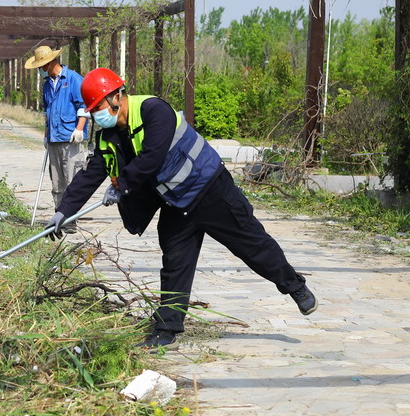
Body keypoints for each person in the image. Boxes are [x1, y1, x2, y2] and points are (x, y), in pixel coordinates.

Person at [45, 68, 317, 348]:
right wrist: (64, 210)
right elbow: (91, 174)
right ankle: (167, 328)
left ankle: (295, 286)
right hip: (176, 202)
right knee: (175, 262)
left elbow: (152, 156)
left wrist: (121, 185)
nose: (95, 115)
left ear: (116, 97)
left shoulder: (153, 110)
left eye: (97, 107)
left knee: (252, 244)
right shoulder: (108, 137)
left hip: (210, 189)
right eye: (91, 110)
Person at [24, 46, 89, 231]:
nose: (40, 69)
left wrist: (79, 129)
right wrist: (46, 135)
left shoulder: (73, 79)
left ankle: (71, 219)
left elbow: (84, 106)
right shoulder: (47, 85)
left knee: (71, 180)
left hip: (71, 138)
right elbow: (48, 111)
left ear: (51, 62)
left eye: (42, 66)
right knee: (57, 183)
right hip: (54, 138)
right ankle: (59, 217)